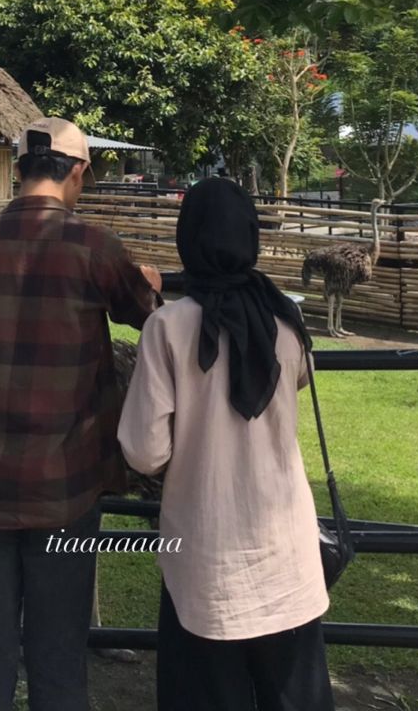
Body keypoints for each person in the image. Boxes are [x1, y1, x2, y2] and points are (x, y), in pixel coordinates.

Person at [0, 117, 162, 711]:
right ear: (78, 172)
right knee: (58, 655)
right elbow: (150, 315)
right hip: (63, 490)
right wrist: (149, 283)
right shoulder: (93, 247)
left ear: (17, 171)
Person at [117, 177, 334, 711]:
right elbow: (299, 377)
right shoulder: (287, 321)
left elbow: (145, 452)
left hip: (205, 562)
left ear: (187, 238)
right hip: (288, 556)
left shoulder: (167, 329)